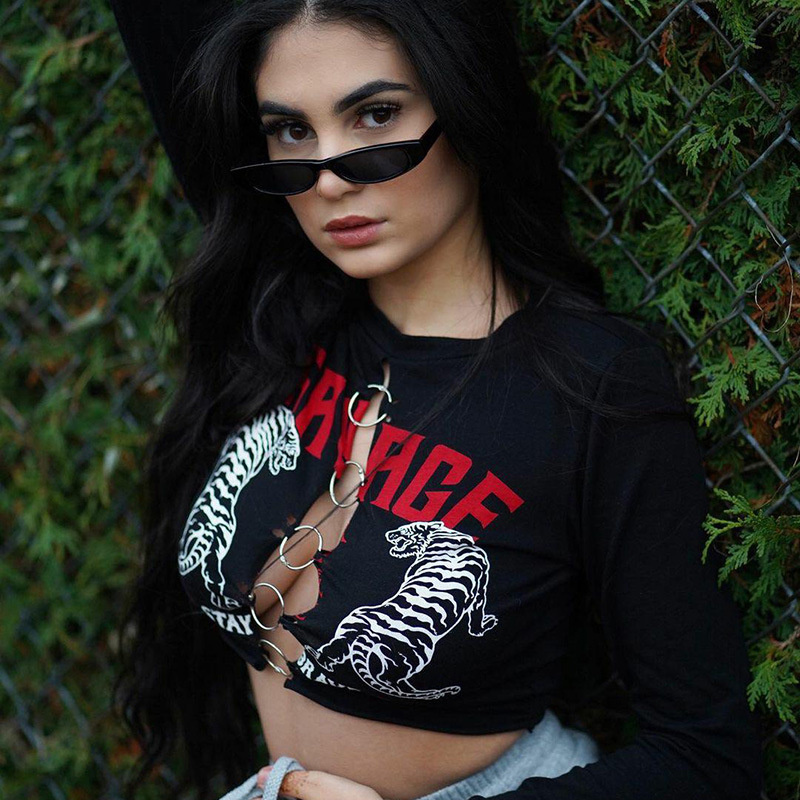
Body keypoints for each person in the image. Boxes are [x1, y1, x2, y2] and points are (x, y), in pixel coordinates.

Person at [108, 2, 763, 799]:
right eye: (291, 130)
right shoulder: (284, 312)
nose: (329, 177)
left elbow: (707, 757)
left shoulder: (591, 382)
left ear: (467, 103)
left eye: (376, 115)